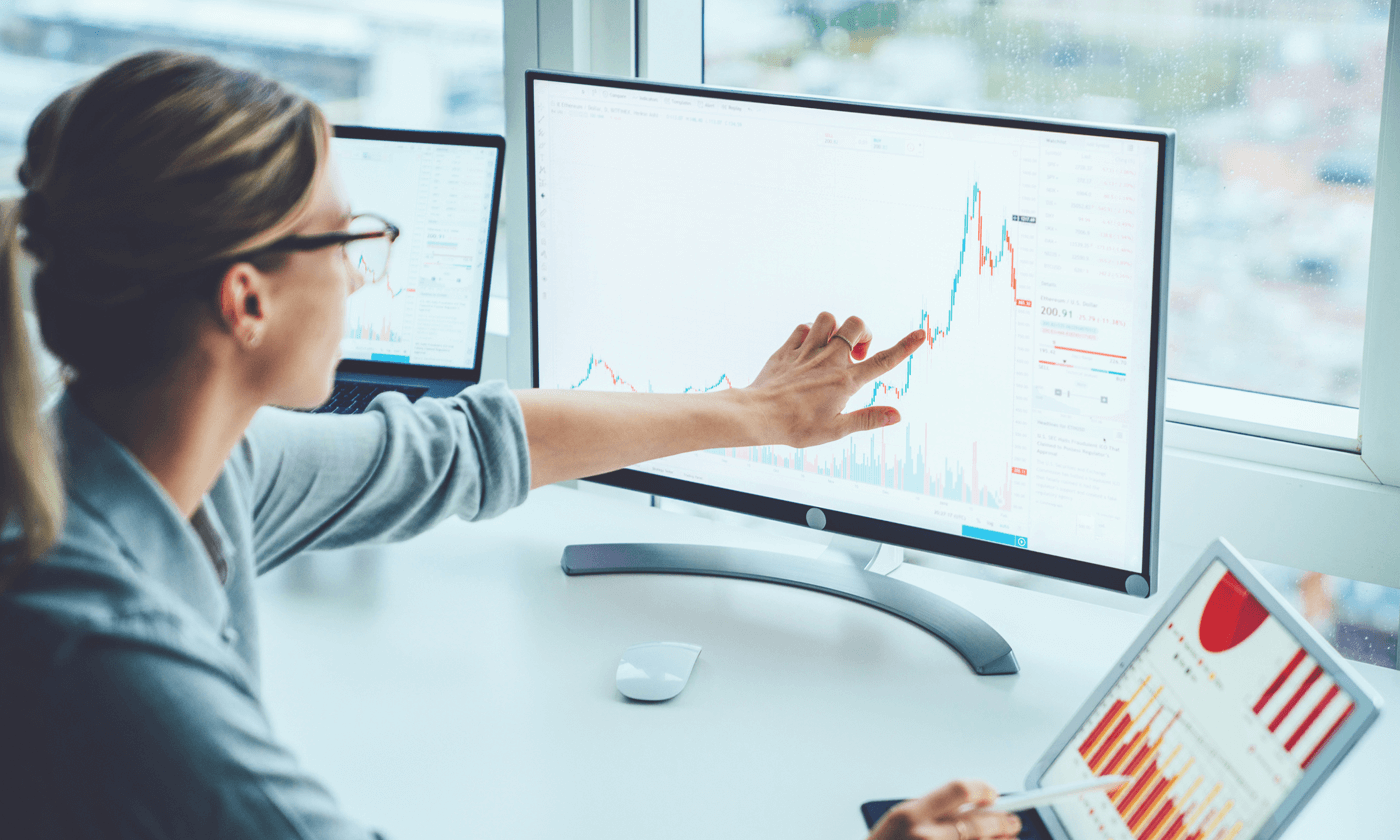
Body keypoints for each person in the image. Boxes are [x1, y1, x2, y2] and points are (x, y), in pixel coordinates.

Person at [0, 51, 1022, 840]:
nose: (364, 276)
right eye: (346, 240)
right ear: (247, 300)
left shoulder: (154, 464)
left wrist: (757, 414)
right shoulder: (104, 656)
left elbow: (465, 446)